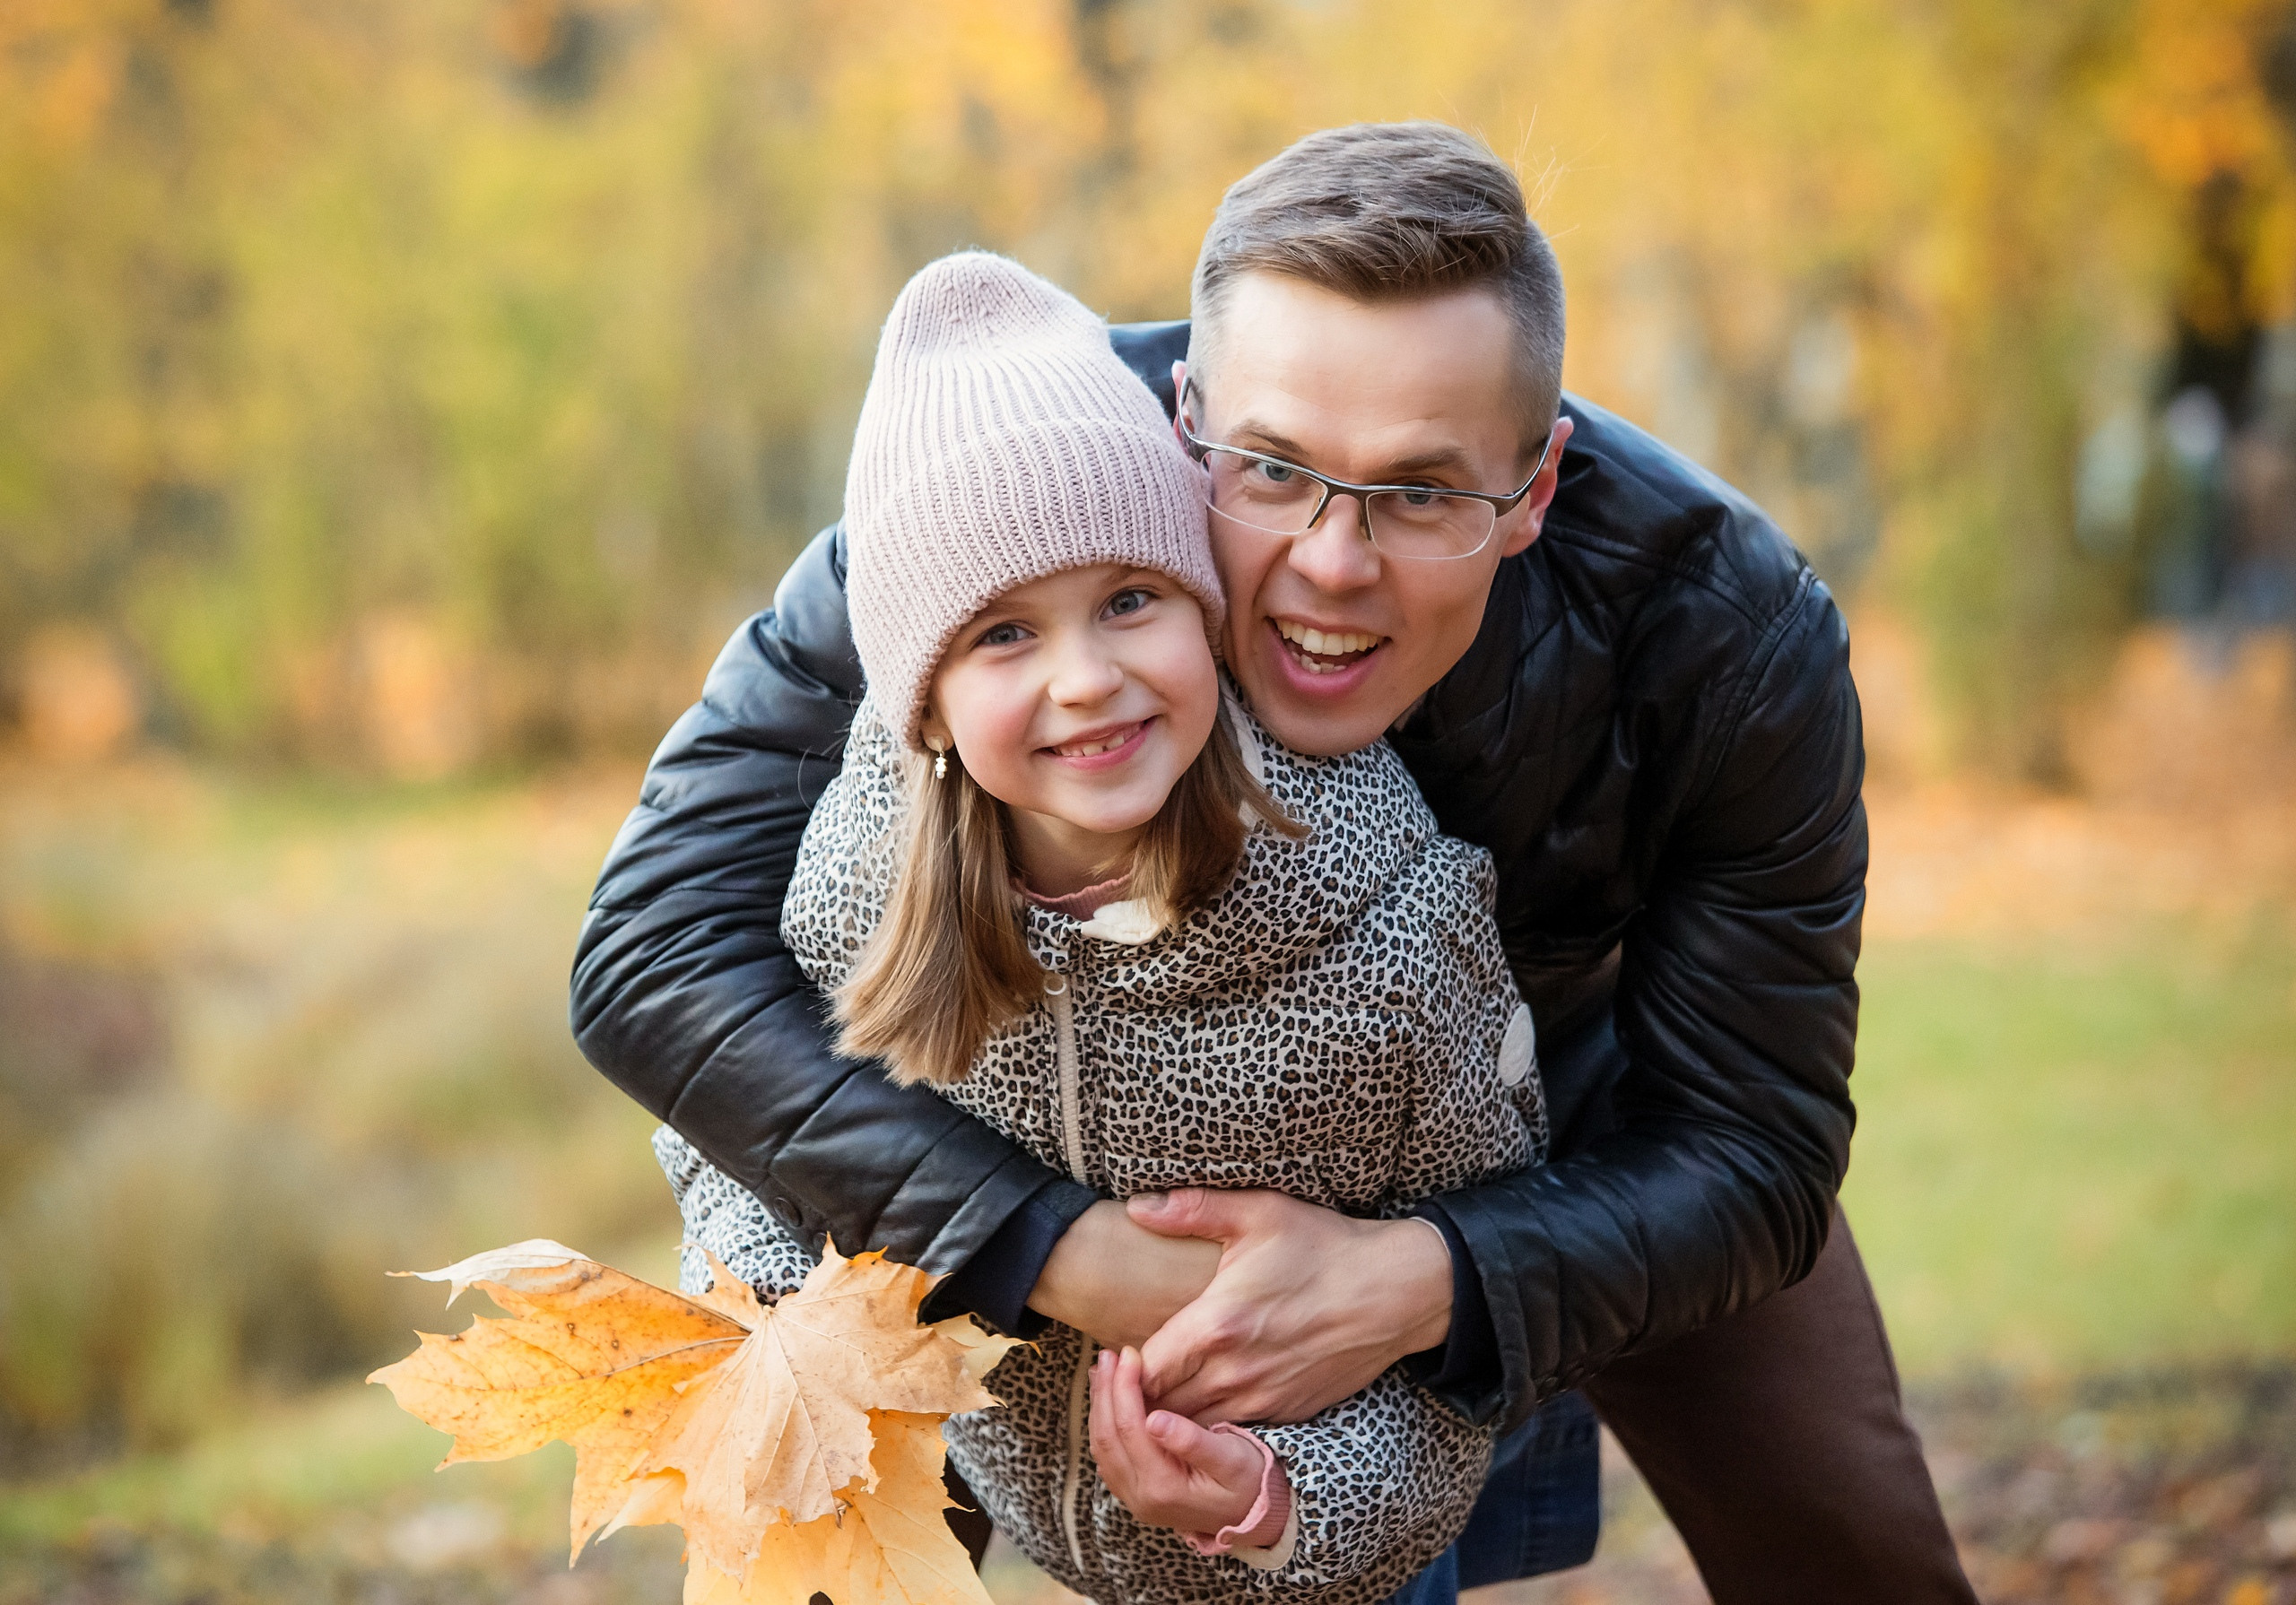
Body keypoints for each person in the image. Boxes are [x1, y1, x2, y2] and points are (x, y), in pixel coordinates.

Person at [574, 123, 1978, 1603]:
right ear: (1183, 417)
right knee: (818, 1537)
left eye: (1424, 492)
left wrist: (1414, 1277)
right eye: (1272, 467)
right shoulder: (998, 485)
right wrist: (1048, 1245)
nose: (1330, 561)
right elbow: (650, 953)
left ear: (1538, 483)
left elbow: (1757, 1151)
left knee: (1857, 1549)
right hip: (1016, 1112)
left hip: (1592, 1105)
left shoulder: (1726, 633)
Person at [655, 248, 1574, 1604]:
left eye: (1131, 600)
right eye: (1006, 635)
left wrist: (1269, 1505)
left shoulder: (1391, 941)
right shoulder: (867, 865)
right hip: (983, 1480)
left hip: (1310, 1563)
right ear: (926, 705)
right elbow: (727, 1124)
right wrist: (792, 1313)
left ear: (1204, 611)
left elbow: (1472, 1350)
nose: (1088, 680)